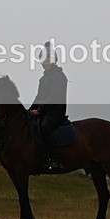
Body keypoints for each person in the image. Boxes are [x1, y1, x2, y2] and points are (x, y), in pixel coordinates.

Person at [29, 41, 68, 171]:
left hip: (55, 111)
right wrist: (30, 110)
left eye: (47, 59)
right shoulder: (43, 79)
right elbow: (38, 96)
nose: (45, 62)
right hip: (44, 111)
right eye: (43, 59)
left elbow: (54, 97)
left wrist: (39, 110)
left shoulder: (59, 76)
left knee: (45, 126)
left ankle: (55, 159)